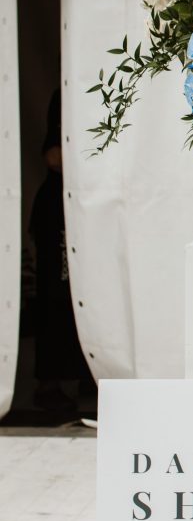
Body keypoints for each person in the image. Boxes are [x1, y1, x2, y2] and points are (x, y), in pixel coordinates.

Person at [28, 92, 91, 420]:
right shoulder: (65, 95)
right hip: (57, 209)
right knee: (56, 293)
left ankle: (86, 376)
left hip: (83, 206)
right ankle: (49, 383)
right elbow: (52, 155)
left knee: (88, 291)